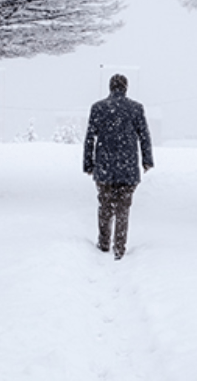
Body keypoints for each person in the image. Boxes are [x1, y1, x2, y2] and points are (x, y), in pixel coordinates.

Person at [82, 73, 154, 260]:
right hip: (128, 167)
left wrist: (88, 164)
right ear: (126, 87)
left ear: (110, 87)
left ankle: (104, 242)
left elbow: (90, 138)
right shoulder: (135, 108)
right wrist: (147, 161)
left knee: (105, 205)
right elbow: (144, 136)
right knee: (123, 208)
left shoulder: (98, 108)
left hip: (104, 166)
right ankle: (120, 246)